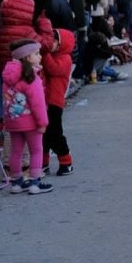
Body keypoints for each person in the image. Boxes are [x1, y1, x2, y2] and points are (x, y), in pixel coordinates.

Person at [3, 39, 53, 194]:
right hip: (31, 122)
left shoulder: (7, 75)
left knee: (16, 151)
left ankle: (16, 182)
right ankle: (35, 182)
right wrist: (43, 122)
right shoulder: (31, 77)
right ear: (26, 57)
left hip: (13, 120)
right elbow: (38, 103)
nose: (40, 57)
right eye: (36, 54)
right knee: (36, 150)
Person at [41, 28, 76, 175]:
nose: (51, 43)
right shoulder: (54, 56)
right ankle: (43, 162)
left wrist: (45, 53)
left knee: (55, 133)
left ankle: (66, 161)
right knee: (44, 134)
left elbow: (53, 69)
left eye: (55, 40)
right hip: (45, 100)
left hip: (55, 102)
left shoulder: (65, 59)